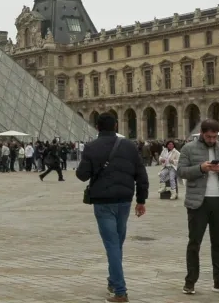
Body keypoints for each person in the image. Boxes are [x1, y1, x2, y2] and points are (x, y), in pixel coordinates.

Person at [76, 112, 149, 303]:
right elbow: (141, 175)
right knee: (116, 243)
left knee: (112, 244)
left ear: (98, 127)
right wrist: (141, 200)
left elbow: (82, 175)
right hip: (124, 200)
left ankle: (120, 291)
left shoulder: (91, 147)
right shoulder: (129, 146)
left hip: (103, 202)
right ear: (116, 126)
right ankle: (112, 280)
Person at [177, 119, 219, 296]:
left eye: (214, 137)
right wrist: (201, 168)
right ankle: (190, 282)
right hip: (198, 202)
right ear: (202, 133)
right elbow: (181, 171)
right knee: (194, 243)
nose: (212, 140)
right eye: (209, 136)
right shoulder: (188, 148)